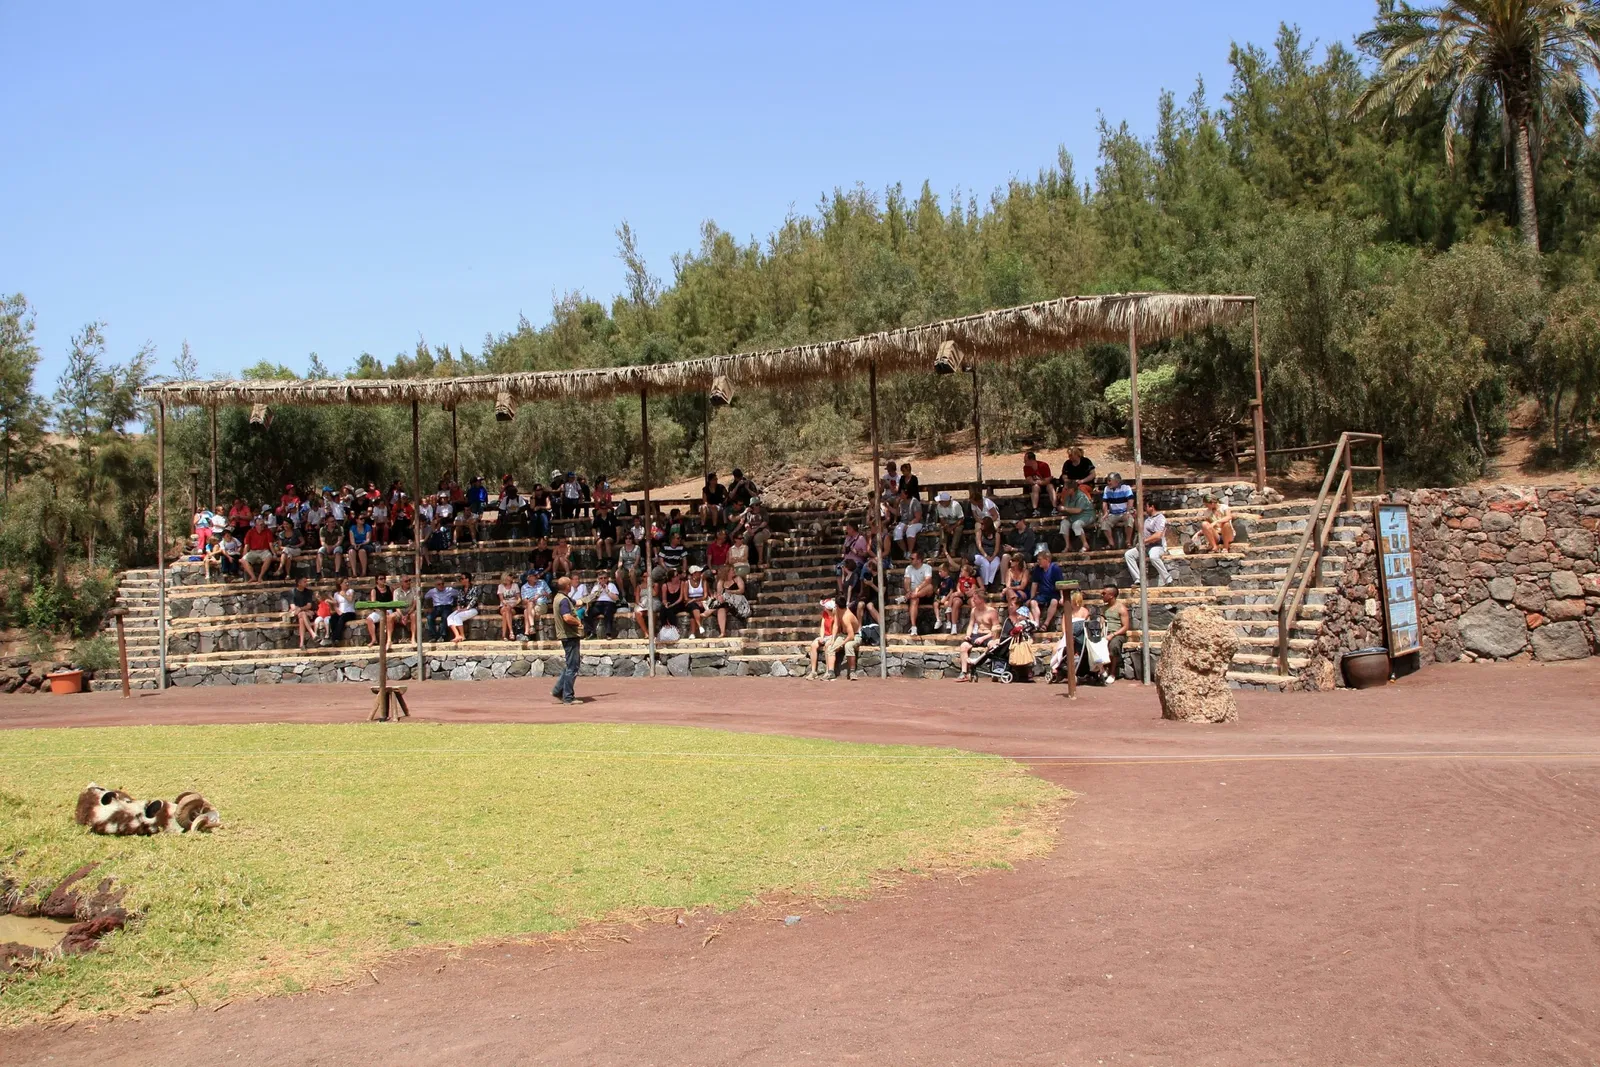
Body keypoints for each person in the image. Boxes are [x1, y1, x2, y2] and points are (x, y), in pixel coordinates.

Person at [807, 598, 859, 680]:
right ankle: (823, 672)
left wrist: (840, 644)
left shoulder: (845, 616)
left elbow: (851, 635)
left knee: (846, 646)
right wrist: (831, 639)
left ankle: (849, 671)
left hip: (853, 635)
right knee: (826, 646)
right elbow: (834, 626)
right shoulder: (835, 612)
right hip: (837, 635)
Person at [956, 591, 1002, 681]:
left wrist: (983, 638)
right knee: (963, 646)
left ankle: (995, 670)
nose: (973, 600)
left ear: (981, 600)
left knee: (993, 645)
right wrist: (968, 635)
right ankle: (964, 673)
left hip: (989, 634)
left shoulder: (992, 612)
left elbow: (996, 630)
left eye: (975, 598)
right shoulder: (974, 610)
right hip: (977, 634)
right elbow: (970, 624)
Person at [550, 576, 581, 705]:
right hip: (569, 635)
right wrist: (578, 622)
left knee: (570, 664)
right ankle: (568, 697)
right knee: (573, 666)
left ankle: (558, 690)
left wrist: (593, 596)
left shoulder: (560, 597)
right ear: (567, 586)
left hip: (567, 635)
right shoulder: (563, 600)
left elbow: (578, 603)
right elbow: (567, 617)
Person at [1127, 501, 1173, 587]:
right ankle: (1138, 580)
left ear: (1152, 507)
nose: (1145, 508)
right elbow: (1139, 529)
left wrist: (1143, 541)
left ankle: (1168, 580)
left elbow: (1158, 535)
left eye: (1146, 506)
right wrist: (1136, 517)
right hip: (1146, 547)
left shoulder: (1160, 518)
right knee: (1129, 555)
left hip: (1158, 546)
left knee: (1153, 556)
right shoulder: (1147, 519)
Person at [1029, 551, 1067, 632]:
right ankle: (1036, 623)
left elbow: (1060, 583)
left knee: (1054, 602)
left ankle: (1046, 624)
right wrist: (1031, 597)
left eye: (1040, 559)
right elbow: (1034, 584)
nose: (1038, 561)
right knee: (1033, 602)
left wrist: (1062, 597)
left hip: (1054, 593)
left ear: (1047, 559)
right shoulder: (1038, 569)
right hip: (1043, 594)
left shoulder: (1055, 568)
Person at [899, 550, 934, 636]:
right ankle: (914, 627)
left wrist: (917, 589)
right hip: (913, 595)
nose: (910, 560)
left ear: (919, 560)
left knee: (930, 587)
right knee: (914, 599)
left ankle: (909, 596)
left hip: (924, 593)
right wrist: (908, 591)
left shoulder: (927, 567)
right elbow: (906, 582)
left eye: (912, 558)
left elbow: (928, 581)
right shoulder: (908, 568)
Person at [1098, 472, 1136, 549]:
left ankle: (1128, 542)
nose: (1108, 483)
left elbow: (1130, 500)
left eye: (1110, 480)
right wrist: (1105, 513)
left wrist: (1128, 512)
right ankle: (1111, 543)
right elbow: (1104, 502)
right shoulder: (1107, 489)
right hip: (1113, 514)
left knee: (1129, 520)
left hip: (1124, 512)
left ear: (1117, 481)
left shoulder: (1126, 488)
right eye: (1107, 480)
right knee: (1104, 521)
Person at [578, 571, 621, 638]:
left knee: (608, 613)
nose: (603, 580)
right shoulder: (595, 587)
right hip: (597, 604)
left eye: (605, 578)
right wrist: (596, 594)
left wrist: (607, 591)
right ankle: (591, 633)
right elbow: (590, 599)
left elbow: (616, 598)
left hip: (609, 603)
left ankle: (608, 634)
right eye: (601, 578)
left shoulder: (611, 585)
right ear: (598, 579)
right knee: (587, 614)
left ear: (607, 578)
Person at [1058, 478, 1095, 553]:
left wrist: (1064, 508)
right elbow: (1067, 509)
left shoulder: (1081, 496)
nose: (1064, 490)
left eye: (1066, 489)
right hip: (1074, 516)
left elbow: (1078, 510)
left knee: (1076, 525)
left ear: (1071, 489)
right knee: (1064, 523)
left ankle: (1085, 545)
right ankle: (1068, 546)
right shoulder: (1068, 497)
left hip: (1086, 516)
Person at [447, 573, 481, 644]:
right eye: (461, 579)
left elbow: (474, 600)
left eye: (462, 578)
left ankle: (463, 635)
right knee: (449, 617)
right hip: (462, 609)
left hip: (473, 609)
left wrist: (466, 608)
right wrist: (459, 608)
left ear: (467, 579)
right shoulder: (461, 590)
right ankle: (457, 635)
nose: (461, 580)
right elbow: (459, 601)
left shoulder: (475, 588)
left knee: (457, 617)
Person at [240, 515, 275, 582]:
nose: (263, 526)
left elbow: (270, 544)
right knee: (243, 560)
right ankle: (253, 577)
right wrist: (243, 555)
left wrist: (274, 554)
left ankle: (260, 576)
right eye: (261, 525)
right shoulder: (250, 532)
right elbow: (246, 545)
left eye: (263, 524)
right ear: (256, 525)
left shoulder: (267, 531)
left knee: (269, 557)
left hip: (264, 551)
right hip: (253, 551)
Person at [423, 577, 459, 642]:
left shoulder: (449, 590)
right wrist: (428, 607)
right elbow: (425, 597)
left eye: (442, 584)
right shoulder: (432, 591)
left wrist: (457, 605)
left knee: (445, 617)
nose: (441, 586)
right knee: (429, 617)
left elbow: (459, 594)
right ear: (435, 585)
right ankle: (433, 636)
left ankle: (442, 636)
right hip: (437, 607)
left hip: (447, 606)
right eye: (439, 584)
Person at [737, 500, 771, 567]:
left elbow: (764, 523)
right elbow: (746, 523)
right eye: (755, 505)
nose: (756, 506)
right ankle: (742, 559)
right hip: (751, 530)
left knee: (757, 538)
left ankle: (760, 560)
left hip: (763, 530)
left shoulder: (763, 511)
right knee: (743, 537)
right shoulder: (749, 513)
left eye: (758, 504)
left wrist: (755, 530)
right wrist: (749, 529)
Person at [520, 570, 552, 640]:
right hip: (531, 605)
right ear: (528, 578)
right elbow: (524, 601)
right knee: (529, 604)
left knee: (526, 611)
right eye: (534, 576)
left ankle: (527, 632)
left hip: (542, 604)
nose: (537, 577)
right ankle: (530, 629)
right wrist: (531, 600)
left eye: (537, 575)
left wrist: (541, 594)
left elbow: (550, 596)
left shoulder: (542, 583)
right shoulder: (524, 587)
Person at [1022, 451, 1056, 515]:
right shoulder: (1026, 467)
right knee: (1035, 487)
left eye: (1026, 461)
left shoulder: (1043, 465)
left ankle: (1054, 507)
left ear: (1031, 460)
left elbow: (1047, 481)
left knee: (1050, 487)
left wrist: (1038, 482)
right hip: (1037, 486)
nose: (1024, 462)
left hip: (1045, 485)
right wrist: (1038, 482)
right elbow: (1029, 480)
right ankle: (1035, 509)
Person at [973, 517, 1003, 590]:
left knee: (995, 563)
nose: (981, 525)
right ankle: (985, 584)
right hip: (981, 554)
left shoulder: (996, 534)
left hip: (993, 554)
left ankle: (990, 582)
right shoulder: (979, 532)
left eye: (983, 524)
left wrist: (992, 557)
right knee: (985, 564)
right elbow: (979, 546)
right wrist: (986, 556)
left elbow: (996, 548)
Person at [365, 576, 396, 646]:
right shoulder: (374, 590)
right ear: (377, 581)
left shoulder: (389, 588)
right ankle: (373, 639)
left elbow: (394, 600)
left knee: (389, 618)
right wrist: (380, 610)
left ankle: (389, 639)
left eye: (384, 578)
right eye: (381, 579)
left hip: (388, 609)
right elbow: (373, 603)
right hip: (378, 610)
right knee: (369, 619)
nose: (383, 580)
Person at [682, 564, 711, 639]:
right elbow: (685, 598)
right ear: (694, 573)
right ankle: (699, 626)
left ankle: (692, 633)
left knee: (693, 612)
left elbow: (705, 596)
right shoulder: (687, 583)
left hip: (701, 601)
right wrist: (694, 601)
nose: (700, 573)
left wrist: (697, 600)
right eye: (699, 572)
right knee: (693, 606)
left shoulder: (703, 582)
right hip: (690, 602)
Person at [894, 491, 925, 558]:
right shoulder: (901, 502)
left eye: (901, 493)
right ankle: (905, 551)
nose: (899, 495)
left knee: (910, 530)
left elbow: (918, 518)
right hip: (904, 522)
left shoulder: (915, 502)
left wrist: (908, 525)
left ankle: (910, 552)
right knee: (897, 532)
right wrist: (891, 506)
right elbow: (899, 514)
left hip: (916, 523)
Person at [288, 576, 316, 651]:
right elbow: (293, 607)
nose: (306, 583)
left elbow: (309, 605)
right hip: (296, 614)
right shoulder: (292, 592)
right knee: (302, 615)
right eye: (304, 582)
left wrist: (300, 609)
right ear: (299, 583)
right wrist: (304, 610)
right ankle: (312, 634)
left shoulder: (308, 592)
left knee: (301, 617)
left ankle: (302, 643)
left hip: (303, 613)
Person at [615, 532, 643, 601]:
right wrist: (619, 568)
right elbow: (620, 560)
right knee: (617, 573)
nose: (628, 540)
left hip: (636, 567)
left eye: (630, 538)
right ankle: (623, 592)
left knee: (632, 572)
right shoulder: (622, 549)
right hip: (625, 567)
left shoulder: (637, 548)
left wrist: (633, 567)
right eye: (626, 538)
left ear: (632, 539)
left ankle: (635, 591)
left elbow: (637, 560)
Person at [495, 572, 523, 640]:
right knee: (506, 609)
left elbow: (519, 598)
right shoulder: (500, 586)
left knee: (505, 613)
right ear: (505, 576)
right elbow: (502, 599)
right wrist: (507, 604)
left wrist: (513, 605)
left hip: (513, 606)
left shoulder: (515, 585)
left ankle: (504, 635)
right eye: (510, 575)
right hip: (504, 606)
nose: (511, 576)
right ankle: (511, 632)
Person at [331, 579, 359, 644]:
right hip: (341, 612)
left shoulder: (350, 591)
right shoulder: (336, 594)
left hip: (350, 612)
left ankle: (336, 638)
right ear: (340, 584)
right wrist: (338, 611)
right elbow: (335, 605)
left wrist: (344, 595)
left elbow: (350, 600)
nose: (347, 584)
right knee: (333, 618)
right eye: (345, 582)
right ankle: (333, 637)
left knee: (342, 618)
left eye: (347, 582)